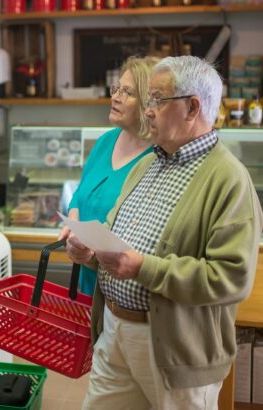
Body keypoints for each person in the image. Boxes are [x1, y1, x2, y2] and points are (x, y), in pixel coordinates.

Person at [65, 55, 263, 409]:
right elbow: (115, 231)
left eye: (157, 99)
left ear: (192, 108)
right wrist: (90, 252)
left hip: (175, 350)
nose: (148, 110)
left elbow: (231, 278)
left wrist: (142, 267)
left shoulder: (228, 179)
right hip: (114, 332)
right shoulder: (148, 162)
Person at [59, 56, 159, 295]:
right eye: (117, 89)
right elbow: (80, 195)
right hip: (88, 282)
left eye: (127, 92)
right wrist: (74, 228)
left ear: (149, 103)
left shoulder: (158, 156)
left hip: (125, 290)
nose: (115, 97)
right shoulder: (106, 141)